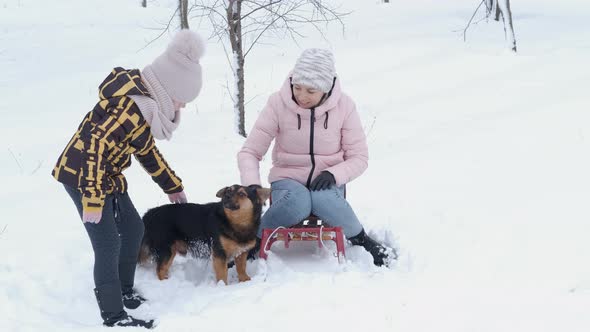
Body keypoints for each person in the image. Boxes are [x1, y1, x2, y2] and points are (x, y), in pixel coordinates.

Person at [52, 30, 205, 328]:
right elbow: (93, 146)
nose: (181, 107)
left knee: (134, 229)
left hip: (106, 176)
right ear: (166, 90)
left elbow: (147, 152)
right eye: (181, 100)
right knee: (108, 243)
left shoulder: (145, 108)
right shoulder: (129, 109)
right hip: (83, 177)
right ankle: (113, 314)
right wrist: (94, 202)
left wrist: (173, 186)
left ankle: (124, 290)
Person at [237, 48, 396, 267]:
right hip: (288, 181)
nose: (301, 96)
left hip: (326, 182)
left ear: (326, 88)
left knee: (322, 198)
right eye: (297, 87)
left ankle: (361, 239)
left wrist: (334, 173)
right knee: (299, 199)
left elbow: (359, 157)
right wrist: (252, 185)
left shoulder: (345, 107)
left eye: (311, 91)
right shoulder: (277, 104)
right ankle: (253, 240)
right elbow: (250, 152)